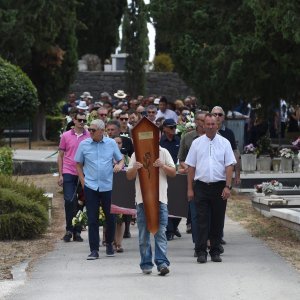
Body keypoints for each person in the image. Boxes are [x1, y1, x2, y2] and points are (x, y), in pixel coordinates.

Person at [185, 113, 236, 263]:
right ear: (203, 125)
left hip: (219, 186)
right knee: (201, 220)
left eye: (213, 124)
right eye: (207, 124)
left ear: (217, 125)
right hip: (201, 186)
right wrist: (189, 189)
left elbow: (229, 166)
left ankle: (215, 251)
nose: (210, 126)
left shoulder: (225, 143)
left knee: (217, 220)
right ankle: (200, 251)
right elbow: (191, 167)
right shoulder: (197, 143)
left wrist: (228, 186)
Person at [75, 119, 124, 260]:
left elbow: (120, 159)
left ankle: (109, 244)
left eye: (92, 130)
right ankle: (94, 250)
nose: (89, 132)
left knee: (110, 218)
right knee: (92, 219)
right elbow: (78, 164)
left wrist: (119, 166)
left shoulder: (111, 143)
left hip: (108, 185)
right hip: (90, 186)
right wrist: (83, 182)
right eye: (89, 129)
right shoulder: (84, 144)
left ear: (102, 131)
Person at [126, 146, 176, 275]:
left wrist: (163, 166)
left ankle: (162, 263)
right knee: (143, 234)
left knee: (160, 233)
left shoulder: (164, 152)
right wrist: (134, 168)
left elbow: (173, 173)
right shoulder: (136, 153)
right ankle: (146, 263)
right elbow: (129, 176)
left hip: (160, 200)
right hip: (142, 200)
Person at [57, 112, 90, 242]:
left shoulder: (89, 135)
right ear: (74, 121)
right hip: (68, 171)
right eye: (80, 120)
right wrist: (60, 174)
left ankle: (77, 231)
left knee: (81, 202)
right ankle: (69, 229)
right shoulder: (65, 136)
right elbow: (60, 156)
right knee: (69, 200)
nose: (82, 122)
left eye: (84, 120)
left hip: (84, 172)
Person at [211, 106, 240, 245]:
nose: (217, 117)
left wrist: (237, 175)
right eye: (214, 114)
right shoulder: (205, 133)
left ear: (223, 117)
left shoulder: (228, 133)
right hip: (208, 177)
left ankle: (218, 235)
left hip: (223, 177)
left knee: (220, 209)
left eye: (220, 114)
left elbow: (235, 154)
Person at [177, 111, 206, 240]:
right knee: (195, 214)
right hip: (193, 180)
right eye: (202, 120)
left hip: (209, 179)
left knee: (209, 213)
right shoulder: (187, 137)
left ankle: (211, 239)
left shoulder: (215, 137)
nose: (205, 124)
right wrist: (188, 168)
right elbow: (181, 158)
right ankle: (198, 242)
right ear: (196, 122)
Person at [159, 119, 181, 241]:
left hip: (177, 173)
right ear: (165, 129)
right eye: (171, 127)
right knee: (166, 202)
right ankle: (169, 230)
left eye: (174, 127)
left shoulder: (179, 140)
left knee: (179, 204)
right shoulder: (161, 142)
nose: (173, 129)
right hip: (163, 174)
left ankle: (174, 226)